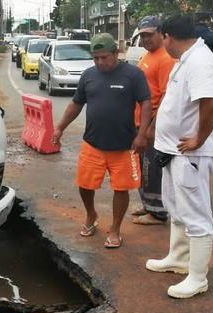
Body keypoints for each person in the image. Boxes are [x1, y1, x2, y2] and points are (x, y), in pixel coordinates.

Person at [145, 15, 213, 299]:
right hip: (173, 151)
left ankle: (197, 277)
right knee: (175, 205)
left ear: (167, 36)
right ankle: (178, 259)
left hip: (191, 152)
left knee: (196, 213)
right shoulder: (187, 59)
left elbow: (211, 102)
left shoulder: (201, 61)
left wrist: (198, 139)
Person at [52, 33, 151, 248]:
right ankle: (91, 215)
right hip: (93, 143)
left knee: (121, 188)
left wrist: (142, 134)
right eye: (96, 58)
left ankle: (115, 228)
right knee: (85, 185)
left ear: (116, 53)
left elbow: (145, 103)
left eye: (104, 57)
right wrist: (59, 127)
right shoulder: (88, 75)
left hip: (124, 145)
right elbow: (76, 104)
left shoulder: (133, 75)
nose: (100, 62)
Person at [132, 16, 176, 226]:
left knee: (152, 167)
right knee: (142, 167)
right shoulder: (147, 55)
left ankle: (158, 213)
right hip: (141, 122)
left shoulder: (166, 59)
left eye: (149, 35)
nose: (146, 39)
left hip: (153, 124)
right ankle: (148, 204)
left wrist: (152, 127)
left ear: (161, 33)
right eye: (142, 35)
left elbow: (167, 96)